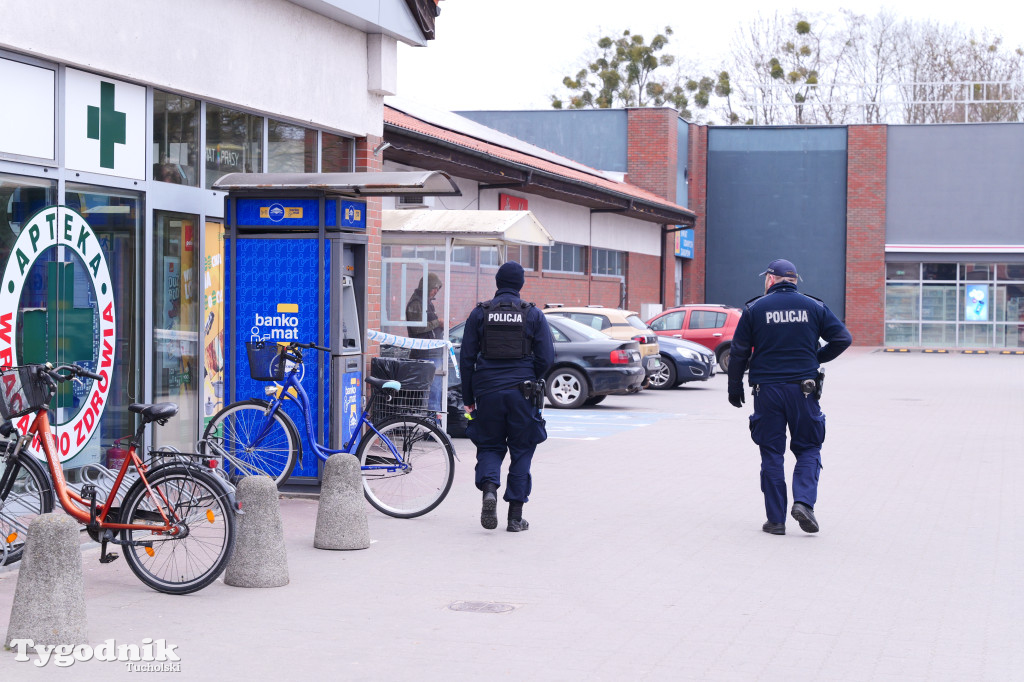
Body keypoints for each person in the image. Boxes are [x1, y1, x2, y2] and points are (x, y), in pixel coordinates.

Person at [727, 258, 852, 536]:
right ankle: (804, 502)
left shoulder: (755, 309)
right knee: (808, 448)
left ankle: (776, 521)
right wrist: (816, 358)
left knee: (772, 453)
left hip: (767, 392)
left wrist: (734, 387)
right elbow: (843, 339)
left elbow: (738, 352)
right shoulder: (814, 307)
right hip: (803, 390)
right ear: (795, 280)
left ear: (771, 279)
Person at [459, 261, 554, 532]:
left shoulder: (479, 313)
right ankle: (515, 517)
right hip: (523, 394)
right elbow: (547, 357)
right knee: (522, 449)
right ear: (520, 284)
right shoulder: (533, 314)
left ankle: (489, 490)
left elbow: (466, 359)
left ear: (498, 282)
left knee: (490, 446)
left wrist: (468, 397)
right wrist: (531, 377)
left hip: (487, 392)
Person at [406, 273, 444, 408]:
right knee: (432, 392)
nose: (436, 291)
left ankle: (434, 417)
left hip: (432, 352)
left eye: (437, 289)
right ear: (427, 287)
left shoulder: (427, 303)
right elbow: (417, 328)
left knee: (435, 391)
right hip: (425, 354)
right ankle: (432, 419)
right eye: (434, 288)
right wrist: (438, 323)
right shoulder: (416, 303)